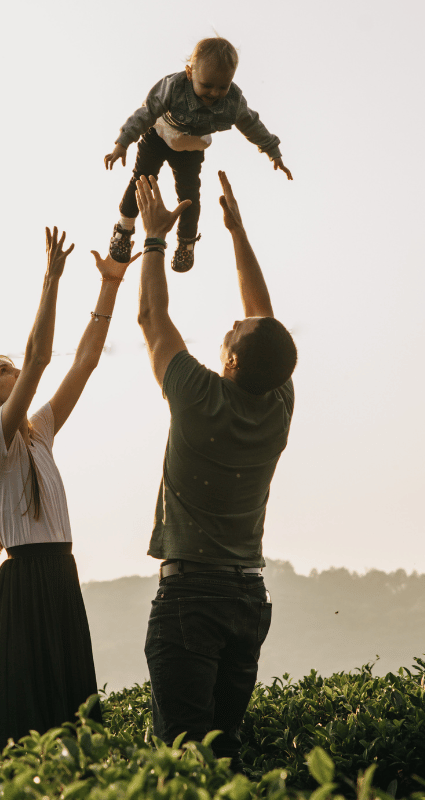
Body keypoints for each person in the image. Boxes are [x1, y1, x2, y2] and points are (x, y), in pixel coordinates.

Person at [132, 171, 296, 770]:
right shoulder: (277, 401)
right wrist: (237, 231)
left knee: (182, 760)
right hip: (248, 597)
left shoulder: (199, 396)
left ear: (229, 360)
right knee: (223, 759)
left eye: (232, 331)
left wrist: (153, 239)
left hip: (192, 597)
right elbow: (266, 321)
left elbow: (152, 319)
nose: (232, 322)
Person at [0, 228, 135, 752]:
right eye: (3, 371)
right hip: (26, 589)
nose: (16, 372)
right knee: (24, 736)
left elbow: (83, 363)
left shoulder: (38, 433)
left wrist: (110, 286)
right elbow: (40, 359)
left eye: (12, 367)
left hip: (59, 578)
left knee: (73, 731)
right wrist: (51, 281)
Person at [103, 36, 293, 274]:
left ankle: (186, 242)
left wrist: (272, 151)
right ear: (190, 72)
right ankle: (124, 227)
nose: (214, 93)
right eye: (207, 85)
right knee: (142, 179)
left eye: (222, 87)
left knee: (189, 195)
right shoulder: (173, 86)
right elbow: (147, 112)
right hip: (159, 134)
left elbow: (251, 124)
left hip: (190, 147)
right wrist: (123, 142)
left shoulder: (233, 102)